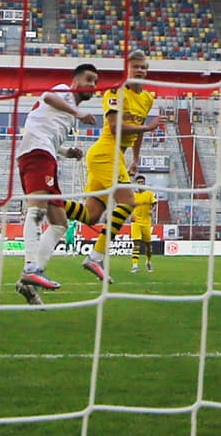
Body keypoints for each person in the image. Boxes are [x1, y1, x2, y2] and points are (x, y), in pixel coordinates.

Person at [63, 50, 166, 283]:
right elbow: (114, 125)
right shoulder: (115, 92)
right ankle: (96, 257)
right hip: (105, 153)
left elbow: (137, 131)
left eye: (144, 67)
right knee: (129, 201)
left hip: (116, 157)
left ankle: (52, 202)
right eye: (136, 67)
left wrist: (136, 159)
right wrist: (149, 128)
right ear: (127, 69)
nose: (140, 71)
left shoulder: (148, 98)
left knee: (91, 216)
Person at [13, 63, 99, 305]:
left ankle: (27, 283)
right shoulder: (63, 92)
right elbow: (47, 96)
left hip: (45, 155)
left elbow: (44, 129)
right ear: (75, 81)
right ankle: (31, 268)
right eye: (88, 79)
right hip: (37, 155)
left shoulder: (66, 113)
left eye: (95, 82)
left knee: (60, 223)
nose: (92, 85)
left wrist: (66, 150)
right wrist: (78, 113)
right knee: (37, 210)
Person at [130, 175, 157, 273]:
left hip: (146, 222)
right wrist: (131, 214)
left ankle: (148, 262)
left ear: (144, 183)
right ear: (136, 183)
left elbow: (154, 204)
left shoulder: (149, 193)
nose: (141, 183)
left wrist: (152, 211)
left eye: (142, 182)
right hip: (136, 222)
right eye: (139, 182)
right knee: (136, 243)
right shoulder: (133, 195)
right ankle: (135, 265)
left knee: (148, 245)